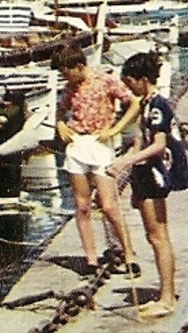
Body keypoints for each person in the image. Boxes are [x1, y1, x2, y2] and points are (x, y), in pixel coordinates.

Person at [53, 45, 139, 277]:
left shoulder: (105, 81)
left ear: (79, 66)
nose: (66, 78)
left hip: (99, 145)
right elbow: (61, 110)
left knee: (108, 205)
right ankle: (91, 259)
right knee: (82, 206)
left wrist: (116, 128)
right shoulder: (69, 89)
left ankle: (129, 254)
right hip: (78, 145)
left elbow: (134, 103)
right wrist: (60, 123)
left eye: (67, 73)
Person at [109, 52, 180, 320]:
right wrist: (123, 163)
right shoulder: (145, 103)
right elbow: (139, 141)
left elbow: (158, 145)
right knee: (154, 236)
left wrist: (128, 161)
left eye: (130, 83)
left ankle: (167, 298)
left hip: (154, 175)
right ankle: (165, 294)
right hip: (142, 175)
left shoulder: (158, 105)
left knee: (158, 236)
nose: (128, 89)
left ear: (142, 79)